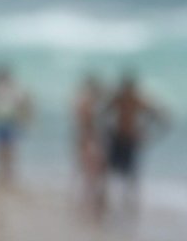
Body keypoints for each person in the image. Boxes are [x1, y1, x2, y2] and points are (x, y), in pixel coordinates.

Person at [100, 74, 170, 219]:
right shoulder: (118, 99)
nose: (126, 92)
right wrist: (107, 131)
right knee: (111, 171)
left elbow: (159, 116)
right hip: (118, 138)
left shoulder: (137, 100)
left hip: (130, 140)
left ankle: (129, 204)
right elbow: (102, 114)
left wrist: (146, 132)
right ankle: (109, 201)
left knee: (130, 174)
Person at [0, 65, 32, 186]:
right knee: (2, 150)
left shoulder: (9, 88)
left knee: (7, 149)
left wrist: (23, 118)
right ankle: (4, 173)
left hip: (8, 122)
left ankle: (6, 173)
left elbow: (23, 103)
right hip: (1, 122)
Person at [72, 74, 106, 219]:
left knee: (90, 173)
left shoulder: (87, 103)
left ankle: (88, 202)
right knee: (90, 174)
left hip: (91, 140)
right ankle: (89, 203)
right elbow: (85, 125)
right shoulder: (89, 104)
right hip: (90, 141)